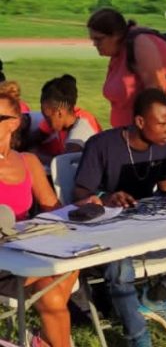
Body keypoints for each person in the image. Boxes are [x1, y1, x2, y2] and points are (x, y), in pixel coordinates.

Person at [73, 89, 166, 347]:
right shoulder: (101, 145)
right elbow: (80, 193)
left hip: (151, 228)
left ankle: (161, 296)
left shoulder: (165, 149)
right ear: (140, 122)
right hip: (109, 235)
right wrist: (106, 197)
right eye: (163, 123)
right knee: (120, 267)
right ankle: (138, 338)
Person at [0, 92, 78, 347]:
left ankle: (44, 341)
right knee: (54, 294)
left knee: (72, 261)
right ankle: (43, 340)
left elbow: (53, 209)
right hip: (5, 262)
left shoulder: (28, 161)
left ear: (14, 122)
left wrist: (86, 207)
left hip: (28, 250)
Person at [86, 8, 166, 166]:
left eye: (99, 39)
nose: (95, 44)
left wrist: (148, 140)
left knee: (148, 182)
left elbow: (156, 94)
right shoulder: (120, 50)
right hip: (142, 131)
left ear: (116, 35)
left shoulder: (140, 44)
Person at [35, 74, 101, 162]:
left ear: (59, 113)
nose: (45, 121)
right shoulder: (61, 119)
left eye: (47, 117)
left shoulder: (82, 128)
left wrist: (33, 156)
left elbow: (64, 164)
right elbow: (36, 137)